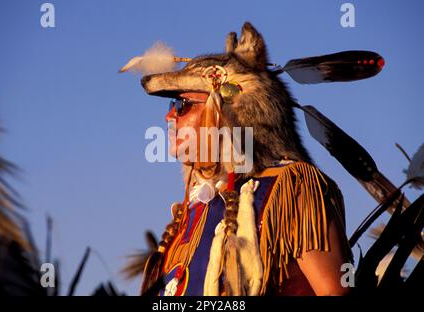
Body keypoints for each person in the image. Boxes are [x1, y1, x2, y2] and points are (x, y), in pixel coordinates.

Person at [135, 22, 353, 296]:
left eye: (182, 105)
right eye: (171, 106)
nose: (170, 116)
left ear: (229, 108)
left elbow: (338, 292)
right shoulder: (192, 213)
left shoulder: (290, 189)